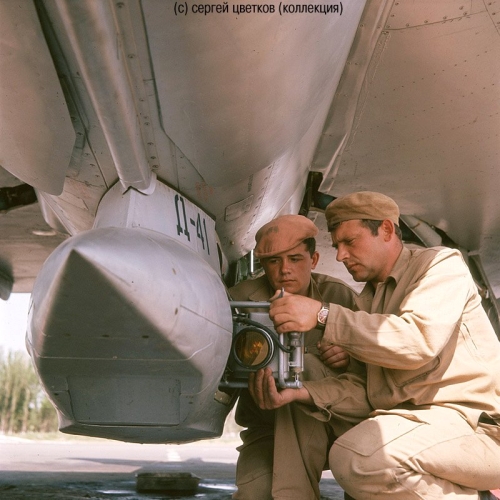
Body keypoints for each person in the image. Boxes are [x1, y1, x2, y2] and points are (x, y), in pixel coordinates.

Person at [250, 191, 500, 499]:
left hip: (479, 428)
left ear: (385, 230)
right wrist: (300, 393)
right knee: (304, 399)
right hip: (414, 424)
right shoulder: (368, 300)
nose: (340, 255)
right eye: (337, 245)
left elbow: (416, 341)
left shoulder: (440, 266)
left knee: (358, 458)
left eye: (349, 242)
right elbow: (363, 389)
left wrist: (322, 315)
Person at [229, 214, 360, 500]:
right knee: (255, 493)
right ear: (262, 265)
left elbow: (374, 369)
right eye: (274, 261)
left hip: (337, 425)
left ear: (313, 260)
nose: (285, 270)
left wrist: (349, 357)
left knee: (370, 480)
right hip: (270, 427)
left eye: (295, 259)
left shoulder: (338, 298)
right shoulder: (240, 303)